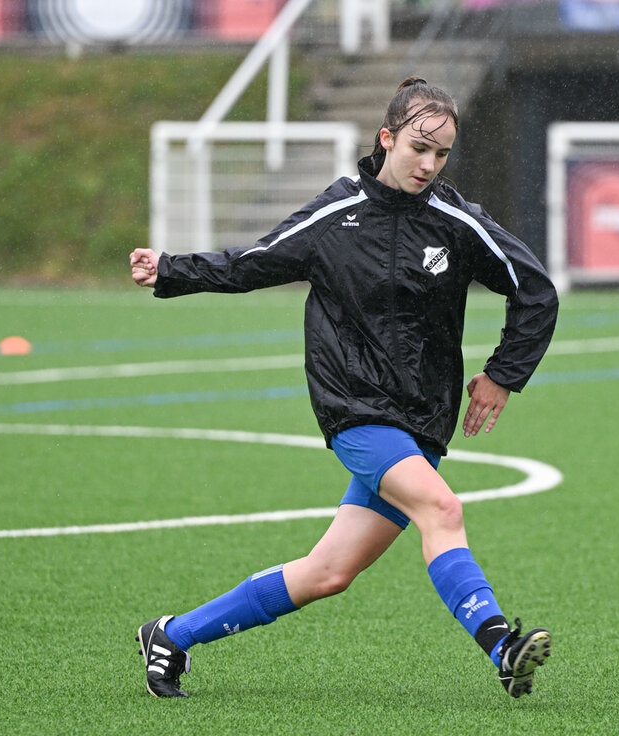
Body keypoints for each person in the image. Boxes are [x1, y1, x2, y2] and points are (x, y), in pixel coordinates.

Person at [130, 77, 558, 699]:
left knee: (327, 572)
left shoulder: (457, 221)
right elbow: (256, 261)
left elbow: (535, 289)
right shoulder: (336, 215)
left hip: (423, 419)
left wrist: (502, 375)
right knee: (442, 509)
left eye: (441, 154)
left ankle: (172, 635)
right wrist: (170, 269)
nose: (429, 164)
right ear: (386, 138)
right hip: (354, 408)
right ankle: (502, 646)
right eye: (418, 148)